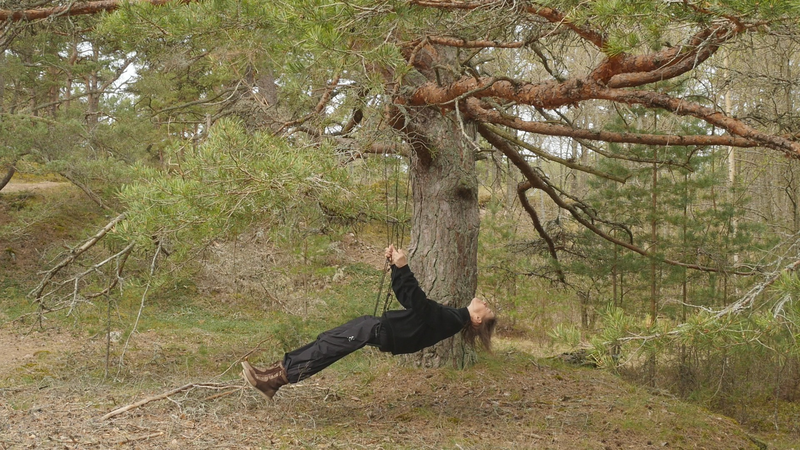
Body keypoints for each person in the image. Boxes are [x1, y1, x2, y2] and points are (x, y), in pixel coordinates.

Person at [241, 244, 497, 400]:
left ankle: (274, 380)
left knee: (329, 347)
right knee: (327, 340)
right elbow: (411, 301)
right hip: (377, 327)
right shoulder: (454, 316)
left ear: (477, 319)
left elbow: (421, 306)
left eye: (486, 310)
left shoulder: (454, 319)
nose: (485, 304)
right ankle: (272, 375)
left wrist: (404, 268)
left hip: (379, 331)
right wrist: (396, 268)